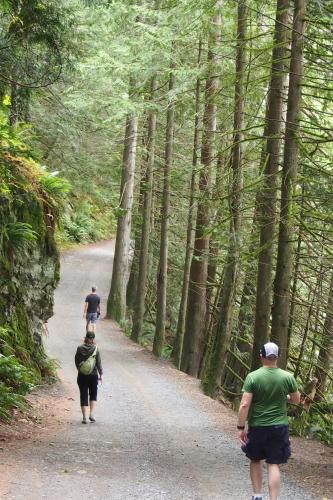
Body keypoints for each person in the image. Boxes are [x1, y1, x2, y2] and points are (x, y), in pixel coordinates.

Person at [237, 342, 300, 500]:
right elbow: (296, 400)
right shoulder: (288, 377)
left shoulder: (253, 377)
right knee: (274, 463)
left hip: (258, 426)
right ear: (277, 357)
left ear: (261, 356)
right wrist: (284, 396)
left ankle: (257, 496)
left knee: (255, 459)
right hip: (279, 426)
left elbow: (244, 404)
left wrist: (240, 426)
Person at [75, 331, 103, 424]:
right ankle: (91, 414)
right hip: (93, 375)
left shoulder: (79, 348)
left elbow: (76, 361)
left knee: (83, 395)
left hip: (82, 375)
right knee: (93, 394)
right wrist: (101, 374)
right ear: (93, 339)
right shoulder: (96, 348)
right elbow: (98, 363)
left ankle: (84, 417)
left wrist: (80, 370)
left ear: (85, 338)